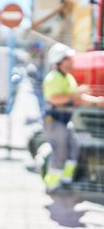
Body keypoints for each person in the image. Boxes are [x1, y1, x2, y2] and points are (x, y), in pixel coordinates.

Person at [42, 43, 104, 192]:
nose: (72, 61)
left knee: (73, 150)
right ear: (60, 61)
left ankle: (65, 181)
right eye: (68, 59)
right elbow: (55, 99)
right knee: (60, 153)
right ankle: (52, 185)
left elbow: (79, 97)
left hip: (65, 121)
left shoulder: (68, 78)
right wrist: (76, 95)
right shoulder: (53, 78)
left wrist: (98, 101)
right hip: (54, 121)